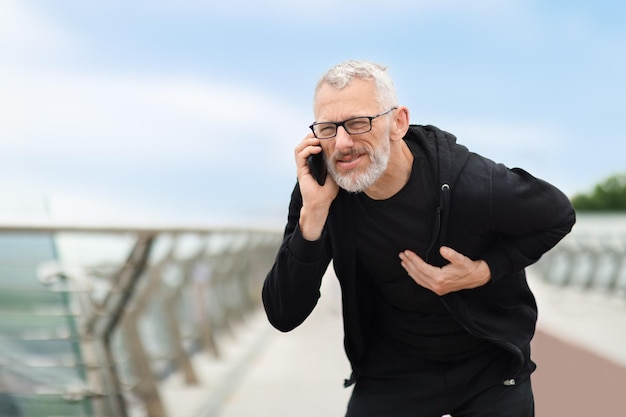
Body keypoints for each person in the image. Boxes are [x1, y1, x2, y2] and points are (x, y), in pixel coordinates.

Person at [262, 60, 575, 417]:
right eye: (328, 129)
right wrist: (313, 218)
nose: (343, 143)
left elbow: (558, 214)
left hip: (487, 367)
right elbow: (283, 314)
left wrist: (485, 270)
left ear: (398, 122)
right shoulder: (319, 191)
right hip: (393, 372)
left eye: (358, 123)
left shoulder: (466, 181)